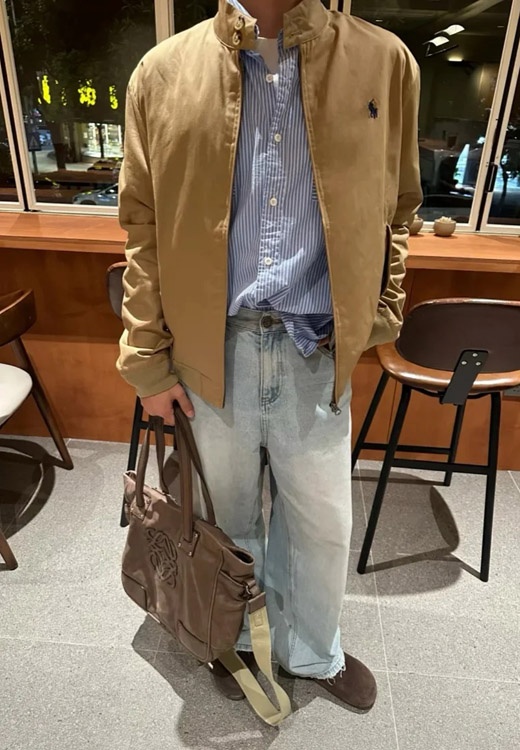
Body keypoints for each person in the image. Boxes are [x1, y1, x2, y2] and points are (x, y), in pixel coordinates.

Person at [117, 0, 422, 712]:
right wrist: (146, 360)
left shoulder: (383, 60)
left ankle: (310, 651)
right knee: (224, 521)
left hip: (316, 343)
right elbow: (143, 230)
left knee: (322, 524)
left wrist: (379, 311)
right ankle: (231, 639)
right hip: (210, 349)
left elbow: (399, 205)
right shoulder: (162, 73)